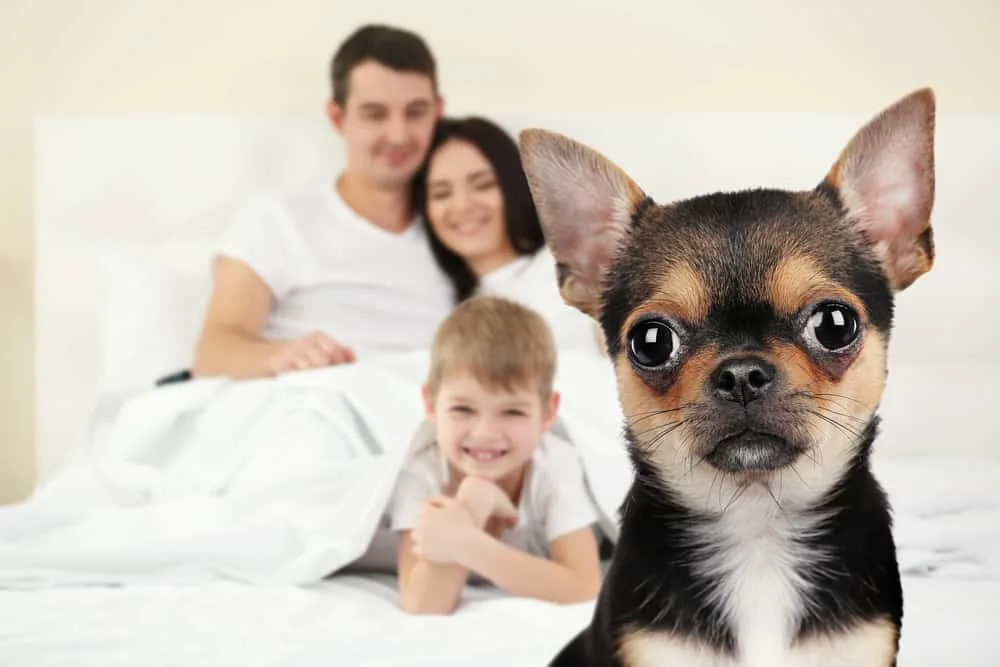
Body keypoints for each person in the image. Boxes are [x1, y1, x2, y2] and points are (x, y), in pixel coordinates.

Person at [191, 24, 454, 379]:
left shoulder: (462, 227)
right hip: (315, 410)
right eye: (375, 114)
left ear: (438, 112)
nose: (398, 134)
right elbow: (213, 354)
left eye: (416, 112)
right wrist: (286, 356)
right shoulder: (278, 217)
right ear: (336, 117)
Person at [389, 295, 603, 614]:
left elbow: (584, 588)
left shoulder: (554, 464)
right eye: (463, 409)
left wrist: (465, 542)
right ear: (431, 405)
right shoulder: (424, 470)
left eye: (513, 411)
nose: (485, 433)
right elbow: (423, 606)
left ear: (548, 412)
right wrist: (473, 503)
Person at [415, 116, 606, 355]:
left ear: (513, 185)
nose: (462, 205)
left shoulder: (572, 264)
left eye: (483, 185)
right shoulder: (443, 311)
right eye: (441, 194)